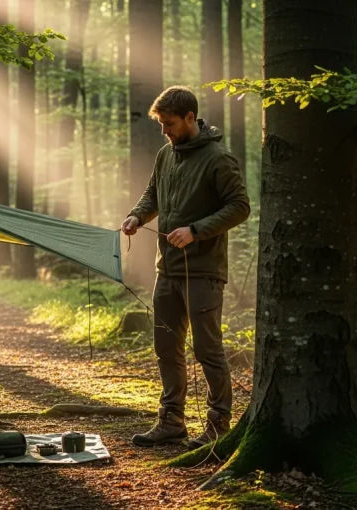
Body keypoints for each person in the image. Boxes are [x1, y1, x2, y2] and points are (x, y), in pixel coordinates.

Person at [122, 86, 250, 450]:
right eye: (161, 124)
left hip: (204, 271)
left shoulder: (218, 159)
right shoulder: (166, 154)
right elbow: (153, 194)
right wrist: (137, 215)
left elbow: (240, 207)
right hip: (167, 269)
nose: (165, 131)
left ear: (190, 118)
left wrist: (195, 230)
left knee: (207, 349)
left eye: (170, 123)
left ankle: (218, 424)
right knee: (166, 346)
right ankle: (171, 422)